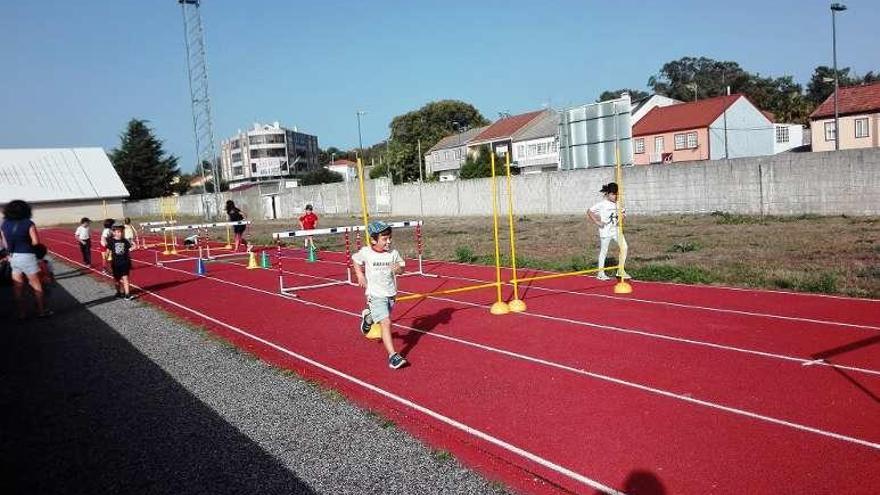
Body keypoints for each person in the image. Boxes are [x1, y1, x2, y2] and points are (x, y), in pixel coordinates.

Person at [352, 220, 408, 369]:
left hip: (390, 294)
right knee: (386, 322)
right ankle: (393, 356)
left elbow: (402, 268)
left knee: (382, 320)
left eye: (390, 238)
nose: (388, 241)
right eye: (384, 239)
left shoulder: (393, 253)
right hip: (375, 294)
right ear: (373, 240)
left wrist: (398, 269)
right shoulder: (366, 252)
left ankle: (368, 317)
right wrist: (360, 275)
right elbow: (356, 260)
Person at [1, 199, 51, 318]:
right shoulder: (28, 223)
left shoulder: (5, 224)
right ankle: (41, 311)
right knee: (36, 285)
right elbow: (35, 242)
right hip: (28, 256)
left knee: (18, 286)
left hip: (13, 257)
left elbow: (6, 244)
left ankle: (21, 313)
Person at [587, 182, 631, 281]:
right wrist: (597, 222)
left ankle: (620, 270)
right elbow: (589, 211)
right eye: (613, 194)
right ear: (607, 194)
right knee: (604, 251)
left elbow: (623, 214)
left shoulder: (618, 204)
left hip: (616, 231)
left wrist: (622, 218)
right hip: (605, 231)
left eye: (616, 194)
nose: (615, 196)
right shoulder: (602, 204)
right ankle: (600, 273)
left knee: (624, 247)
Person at [107, 224, 136, 300]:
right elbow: (108, 251)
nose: (120, 233)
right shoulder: (111, 241)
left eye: (122, 232)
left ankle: (127, 294)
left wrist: (133, 246)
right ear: (114, 233)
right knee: (116, 279)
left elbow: (128, 250)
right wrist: (107, 260)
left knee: (125, 278)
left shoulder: (125, 241)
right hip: (115, 264)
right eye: (118, 232)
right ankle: (118, 292)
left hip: (124, 263)